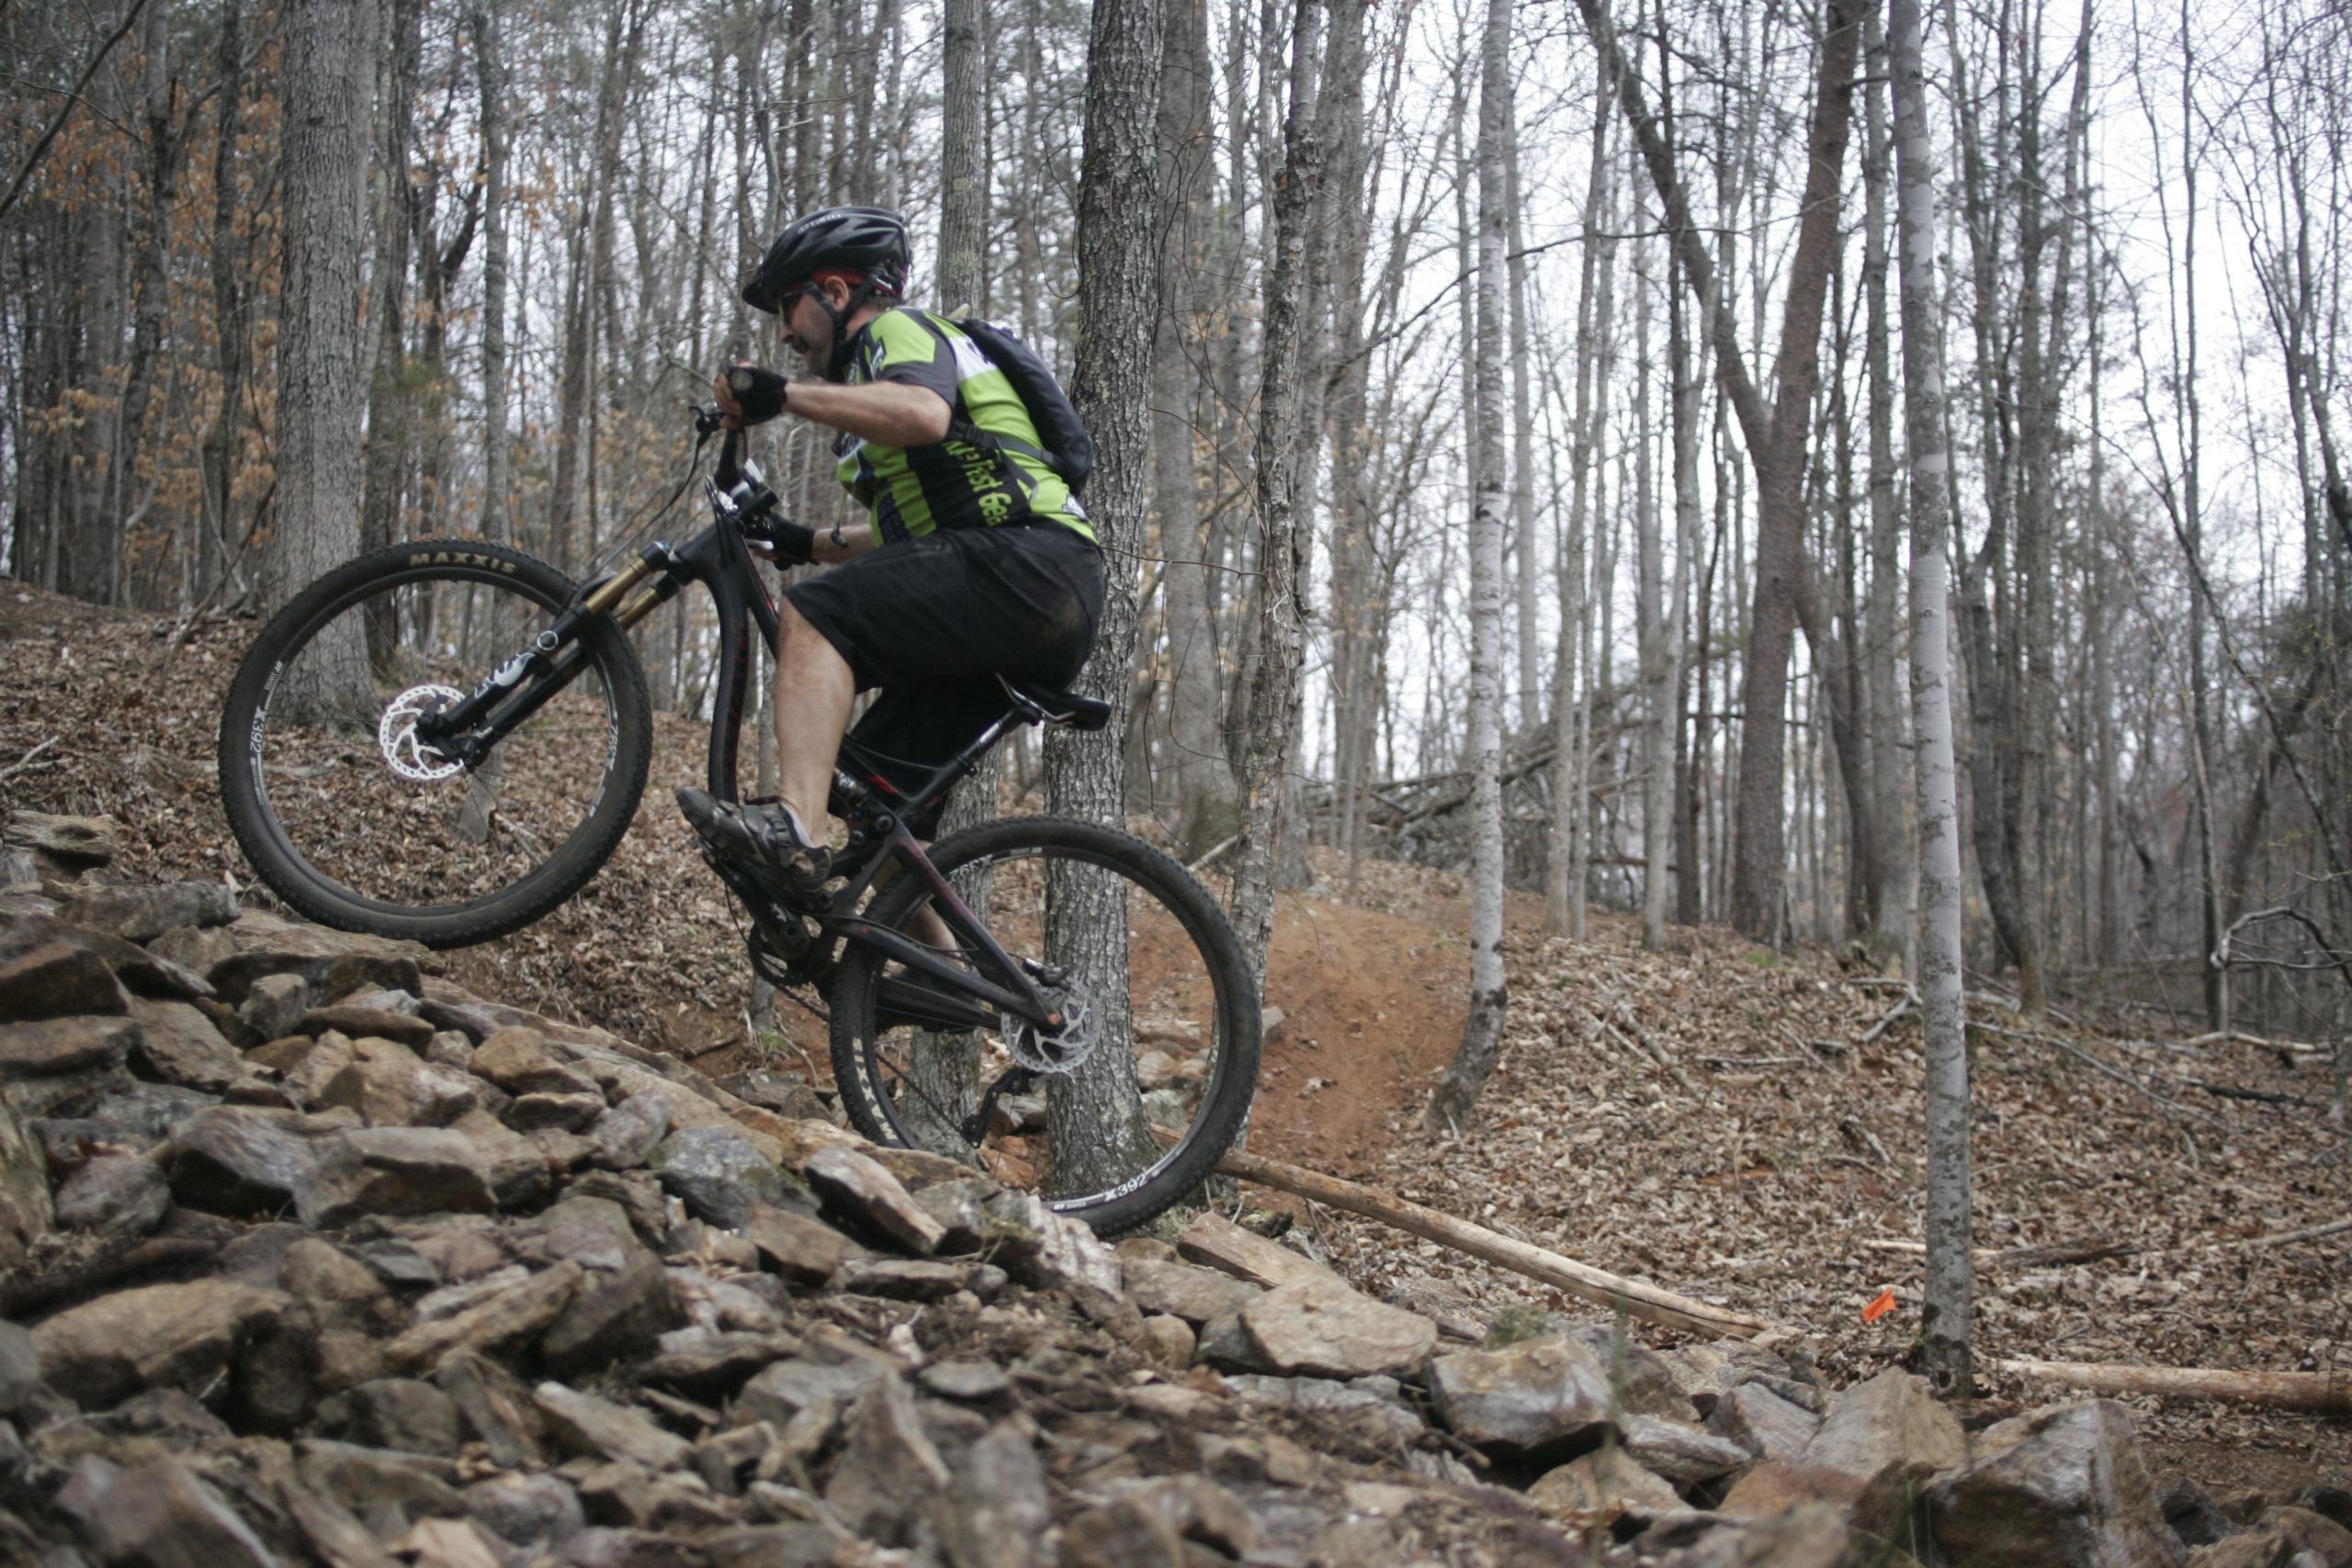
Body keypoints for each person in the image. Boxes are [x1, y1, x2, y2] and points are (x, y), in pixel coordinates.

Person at [676, 205, 1104, 907]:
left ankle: (794, 830)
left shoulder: (896, 333)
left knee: (812, 614)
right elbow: (910, 531)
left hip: (1027, 564)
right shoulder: (876, 391)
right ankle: (975, 995)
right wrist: (803, 540)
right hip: (1035, 587)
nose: (785, 331)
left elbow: (925, 415)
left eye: (790, 306)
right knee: (880, 814)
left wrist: (784, 397)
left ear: (837, 294)